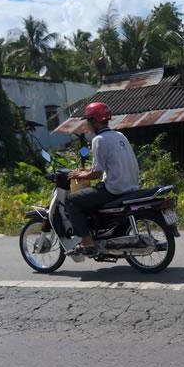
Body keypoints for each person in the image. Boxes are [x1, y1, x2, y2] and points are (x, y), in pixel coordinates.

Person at [66, 102, 139, 254]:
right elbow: (106, 165)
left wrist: (79, 174)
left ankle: (87, 242)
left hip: (114, 188)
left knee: (72, 200)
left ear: (94, 121)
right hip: (130, 185)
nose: (87, 124)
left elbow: (96, 174)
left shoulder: (99, 140)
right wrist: (85, 170)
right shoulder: (119, 135)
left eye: (88, 120)